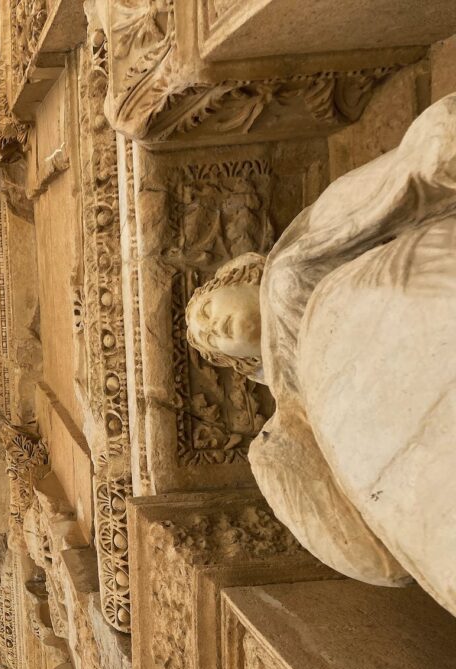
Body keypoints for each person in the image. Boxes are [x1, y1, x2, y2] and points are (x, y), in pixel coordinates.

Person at [185, 94, 456, 616]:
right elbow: (376, 561)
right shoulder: (285, 429)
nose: (214, 327)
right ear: (241, 364)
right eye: (213, 339)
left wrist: (429, 156)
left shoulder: (292, 268)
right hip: (376, 439)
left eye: (210, 310)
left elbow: (385, 191)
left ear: (244, 274)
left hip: (393, 308)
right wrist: (283, 457)